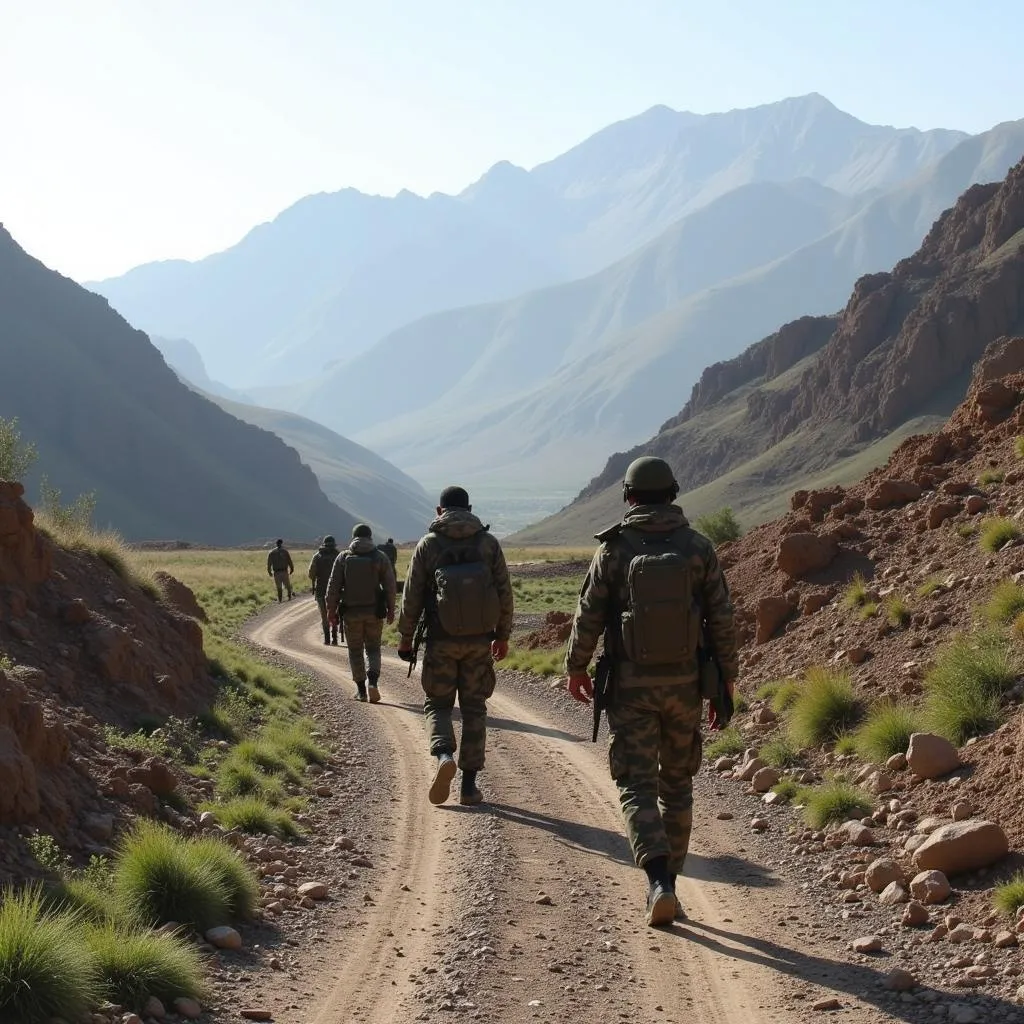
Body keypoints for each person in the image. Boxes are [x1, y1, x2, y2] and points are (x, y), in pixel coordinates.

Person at [564, 456, 738, 928]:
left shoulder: (615, 549)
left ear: (628, 496)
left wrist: (575, 667)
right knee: (677, 786)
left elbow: (589, 614)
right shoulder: (699, 547)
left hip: (631, 688)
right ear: (674, 492)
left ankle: (657, 881)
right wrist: (726, 681)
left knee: (635, 784)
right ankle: (672, 888)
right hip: (686, 687)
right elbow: (722, 618)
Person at [397, 486, 513, 807]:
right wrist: (502, 636)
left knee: (438, 704)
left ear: (439, 511)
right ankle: (469, 786)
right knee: (475, 708)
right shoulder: (488, 544)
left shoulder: (429, 545)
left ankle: (444, 755)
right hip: (480, 642)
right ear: (470, 508)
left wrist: (406, 638)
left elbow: (412, 596)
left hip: (441, 640)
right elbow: (504, 593)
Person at [326, 524, 396, 702]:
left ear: (353, 537)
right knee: (373, 648)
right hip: (374, 612)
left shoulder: (343, 557)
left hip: (351, 613)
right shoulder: (380, 557)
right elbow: (390, 586)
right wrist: (390, 609)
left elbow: (333, 586)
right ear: (370, 537)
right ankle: (373, 682)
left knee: (355, 651)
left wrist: (330, 610)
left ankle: (361, 691)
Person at [307, 535, 340, 645]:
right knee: (334, 613)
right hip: (336, 590)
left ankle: (327, 639)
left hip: (321, 590)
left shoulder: (317, 556)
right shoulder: (338, 556)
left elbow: (311, 574)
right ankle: (335, 638)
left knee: (324, 615)